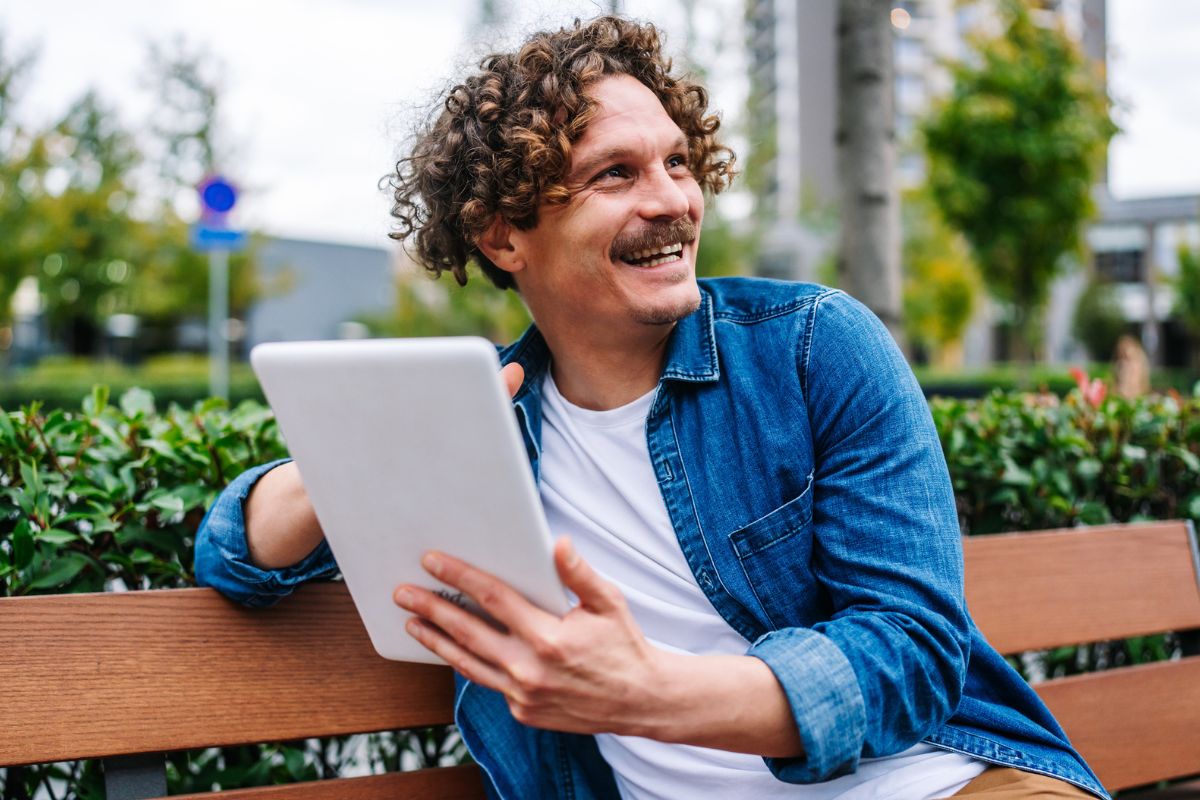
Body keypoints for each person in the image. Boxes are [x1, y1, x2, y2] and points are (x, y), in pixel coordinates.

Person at [195, 16, 1108, 800]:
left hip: (943, 782)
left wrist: (650, 693)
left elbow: (914, 649)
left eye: (678, 162)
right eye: (615, 175)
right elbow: (235, 558)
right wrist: (351, 456)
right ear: (503, 234)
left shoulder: (814, 346)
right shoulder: (489, 430)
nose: (672, 201)